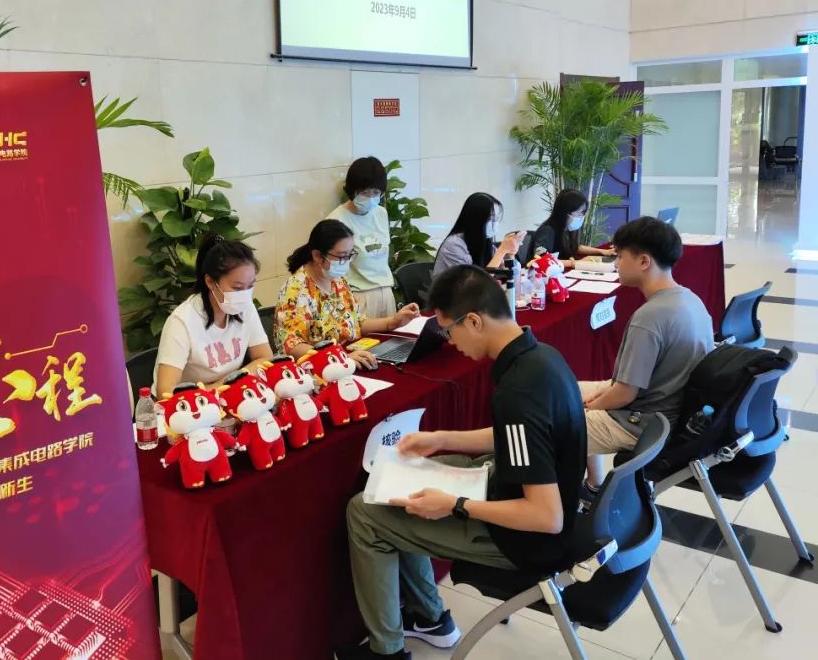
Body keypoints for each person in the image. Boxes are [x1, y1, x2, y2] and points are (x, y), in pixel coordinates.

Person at [341, 266, 586, 659]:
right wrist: (441, 439)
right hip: (523, 496)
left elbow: (546, 516)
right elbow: (519, 438)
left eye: (448, 331)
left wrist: (456, 505)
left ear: (473, 320)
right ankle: (429, 617)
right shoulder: (542, 358)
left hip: (525, 539)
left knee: (365, 513)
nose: (450, 342)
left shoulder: (518, 392)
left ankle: (387, 651)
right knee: (410, 481)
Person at [581, 217, 714, 488]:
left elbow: (624, 394)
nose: (616, 264)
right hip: (671, 407)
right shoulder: (691, 299)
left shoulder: (649, 317)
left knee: (547, 421)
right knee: (563, 389)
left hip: (643, 422)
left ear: (644, 261)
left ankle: (557, 502)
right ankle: (593, 485)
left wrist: (589, 406)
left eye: (620, 257)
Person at [274, 219, 419, 371]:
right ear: (317, 255)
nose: (346, 262)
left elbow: (357, 322)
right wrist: (340, 357)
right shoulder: (296, 290)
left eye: (350, 255)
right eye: (342, 256)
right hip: (319, 370)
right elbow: (292, 345)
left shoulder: (337, 280)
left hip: (349, 360)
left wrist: (393, 322)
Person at [153, 234, 273, 399]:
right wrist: (224, 386)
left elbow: (265, 357)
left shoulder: (245, 307)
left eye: (250, 286)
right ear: (210, 282)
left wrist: (230, 384)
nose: (245, 295)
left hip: (230, 397)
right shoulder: (182, 321)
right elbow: (165, 393)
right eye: (237, 288)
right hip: (189, 406)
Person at [328, 156, 396, 319]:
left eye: (375, 192)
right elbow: (332, 269)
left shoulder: (381, 213)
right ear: (352, 191)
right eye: (364, 192)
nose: (370, 198)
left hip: (386, 292)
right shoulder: (337, 220)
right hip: (358, 296)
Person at [432, 193, 524, 277]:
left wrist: (510, 253)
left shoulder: (485, 242)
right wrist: (501, 250)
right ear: (476, 219)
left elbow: (514, 274)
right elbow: (472, 284)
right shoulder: (454, 244)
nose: (495, 224)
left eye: (496, 219)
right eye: (491, 218)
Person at [530, 189, 612, 267]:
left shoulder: (566, 227)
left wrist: (602, 251)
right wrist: (576, 263)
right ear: (565, 212)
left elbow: (574, 247)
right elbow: (542, 259)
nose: (582, 217)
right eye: (580, 213)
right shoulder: (547, 231)